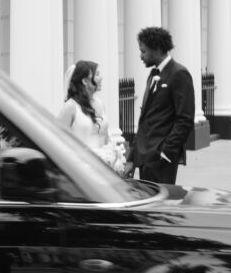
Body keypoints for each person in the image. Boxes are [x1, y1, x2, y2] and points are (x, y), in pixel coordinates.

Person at [124, 26, 195, 185]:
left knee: (160, 207)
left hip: (161, 159)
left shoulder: (179, 74)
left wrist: (165, 152)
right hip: (145, 156)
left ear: (156, 49)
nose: (140, 56)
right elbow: (144, 121)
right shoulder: (153, 74)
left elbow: (185, 119)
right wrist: (132, 159)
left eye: (143, 51)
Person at [58, 60, 109, 151]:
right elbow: (58, 139)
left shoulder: (100, 104)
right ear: (85, 81)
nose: (101, 78)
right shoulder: (70, 107)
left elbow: (105, 137)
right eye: (97, 74)